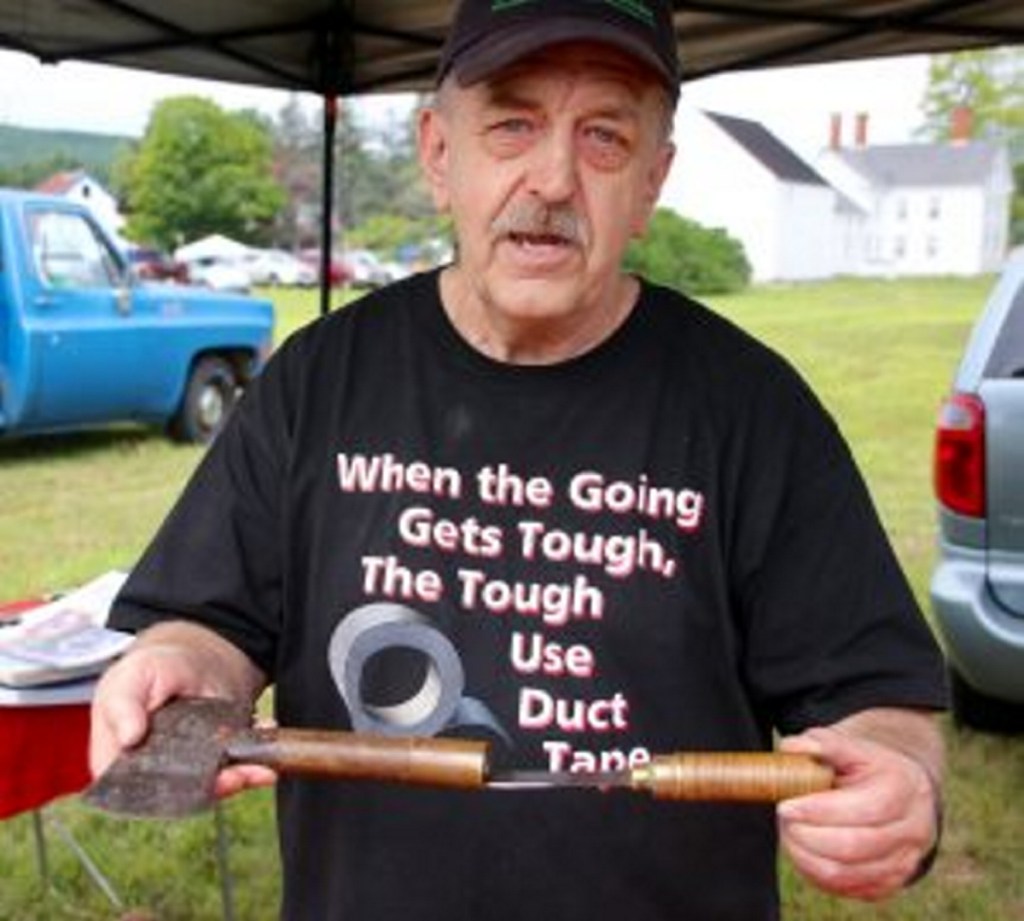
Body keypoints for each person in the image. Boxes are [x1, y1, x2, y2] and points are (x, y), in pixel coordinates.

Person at [90, 0, 948, 918]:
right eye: (512, 123)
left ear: (653, 181)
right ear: (438, 153)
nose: (553, 177)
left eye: (605, 136)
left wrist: (902, 783)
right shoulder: (320, 378)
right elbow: (207, 628)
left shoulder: (751, 408)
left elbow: (880, 705)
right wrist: (179, 662)